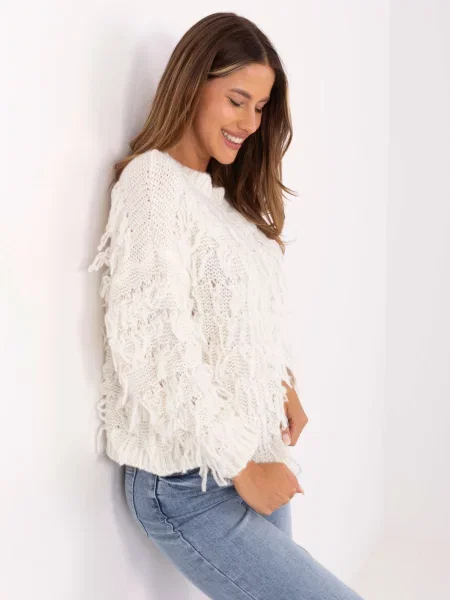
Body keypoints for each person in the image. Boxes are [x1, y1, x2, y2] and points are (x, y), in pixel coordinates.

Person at [89, 12, 365, 600]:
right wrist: (242, 468)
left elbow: (235, 320)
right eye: (237, 100)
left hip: (250, 450)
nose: (249, 123)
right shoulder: (153, 184)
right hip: (191, 479)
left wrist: (280, 383)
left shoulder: (222, 200)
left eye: (260, 108)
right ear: (192, 84)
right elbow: (155, 343)